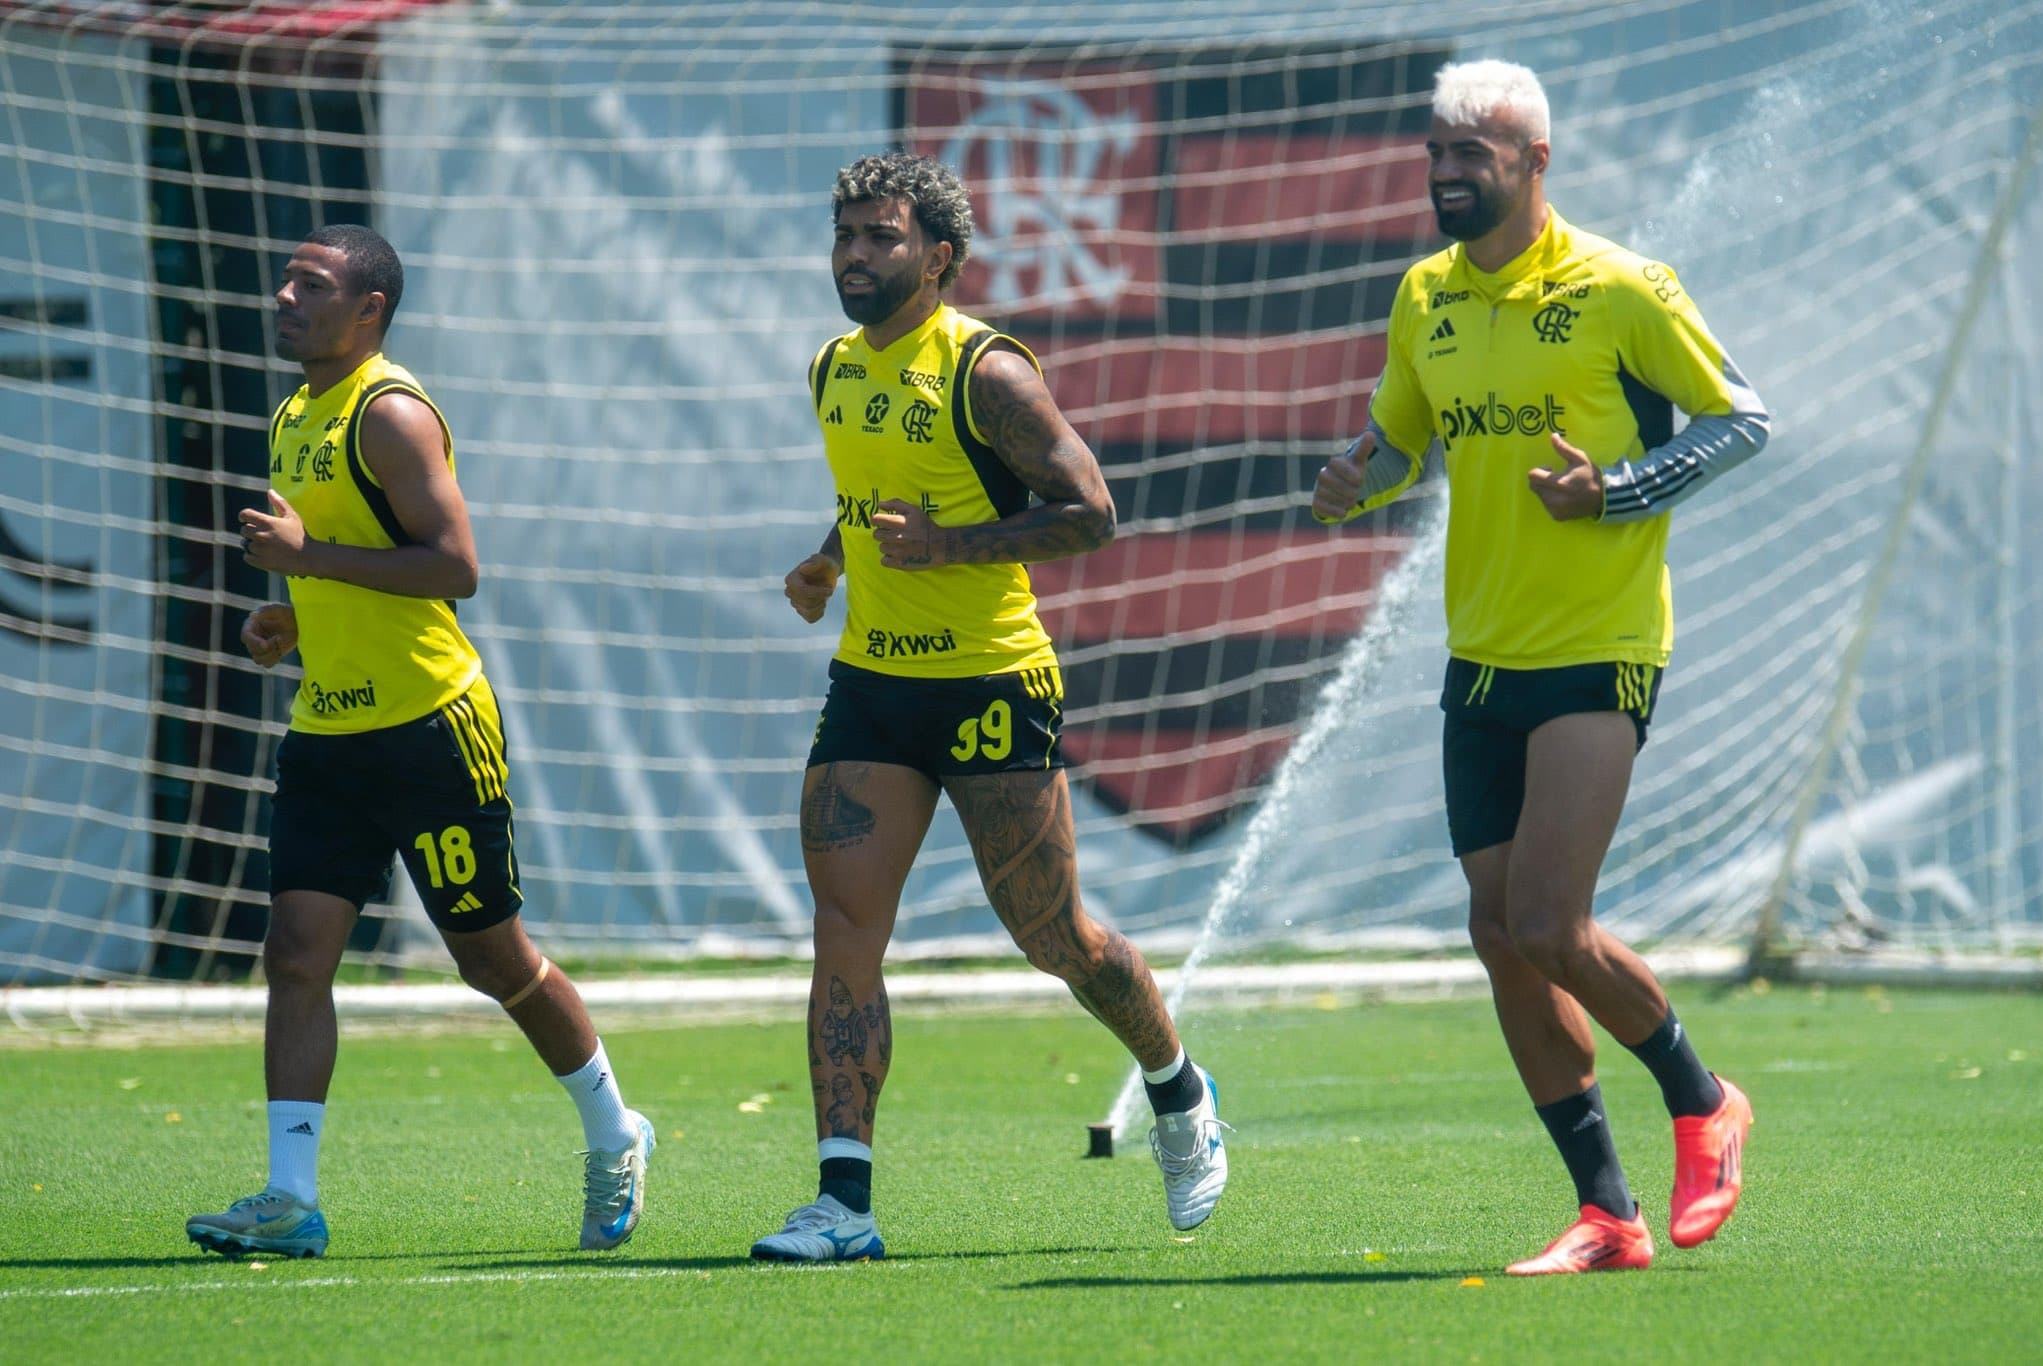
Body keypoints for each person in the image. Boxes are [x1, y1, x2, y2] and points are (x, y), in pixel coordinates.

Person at [1312, 61, 1768, 1275]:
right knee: (1498, 931)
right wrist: (1356, 475)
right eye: (1436, 150)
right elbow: (1400, 439)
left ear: (1534, 162)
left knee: (1548, 921)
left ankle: (1704, 1098)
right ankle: (1607, 1213)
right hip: (1479, 656)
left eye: (1473, 151)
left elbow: (1742, 419)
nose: (1446, 171)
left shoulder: (1620, 286)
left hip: (1598, 645)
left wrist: (1614, 488)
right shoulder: (1423, 294)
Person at [751, 153, 1228, 1262]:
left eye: (880, 237)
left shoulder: (986, 372)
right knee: (844, 931)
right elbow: (875, 500)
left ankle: (1177, 1086)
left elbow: (1092, 512)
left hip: (991, 684)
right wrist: (832, 559)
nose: (854, 256)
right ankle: (843, 1203)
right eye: (844, 236)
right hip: (873, 687)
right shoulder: (832, 368)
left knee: (1054, 937)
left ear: (939, 257)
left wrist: (949, 547)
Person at [185, 225, 654, 1259]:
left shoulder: (390, 414)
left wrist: (309, 558)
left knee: (494, 961)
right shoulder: (296, 412)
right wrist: (294, 617)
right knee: (295, 953)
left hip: (429, 729)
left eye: (311, 284)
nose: (284, 295)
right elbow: (348, 561)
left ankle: (614, 1127)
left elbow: (453, 568)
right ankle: (290, 1197)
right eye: (287, 279)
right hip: (328, 731)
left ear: (370, 311)